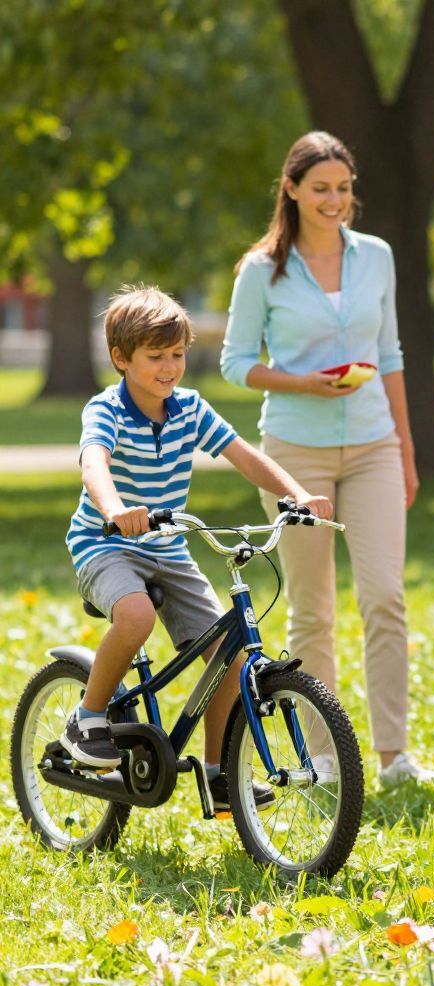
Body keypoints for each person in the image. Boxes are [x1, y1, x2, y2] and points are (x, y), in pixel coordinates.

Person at [62, 285, 332, 814]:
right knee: (135, 615)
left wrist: (295, 495)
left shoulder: (189, 408)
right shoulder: (107, 409)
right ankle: (88, 717)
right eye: (155, 357)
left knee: (229, 656)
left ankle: (218, 773)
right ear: (121, 358)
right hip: (106, 542)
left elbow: (243, 454)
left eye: (178, 355)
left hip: (167, 547)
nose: (169, 367)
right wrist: (116, 506)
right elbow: (94, 460)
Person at [221, 131, 434, 786]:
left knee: (385, 596)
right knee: (313, 610)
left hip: (373, 445)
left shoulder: (376, 257)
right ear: (291, 190)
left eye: (344, 188)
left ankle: (396, 755)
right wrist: (303, 382)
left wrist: (403, 448)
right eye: (321, 189)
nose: (336, 200)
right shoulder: (263, 270)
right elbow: (235, 365)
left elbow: (393, 355)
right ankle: (322, 754)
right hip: (294, 454)